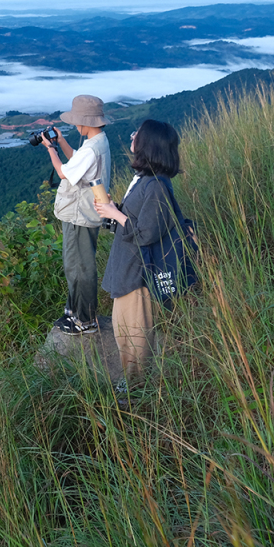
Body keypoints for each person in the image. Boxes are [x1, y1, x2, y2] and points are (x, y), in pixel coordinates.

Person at [94, 119, 182, 387]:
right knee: (124, 336)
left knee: (135, 341)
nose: (132, 137)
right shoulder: (144, 180)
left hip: (139, 275)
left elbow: (146, 233)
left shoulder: (156, 185)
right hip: (127, 271)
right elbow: (131, 223)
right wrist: (112, 211)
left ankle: (134, 393)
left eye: (136, 134)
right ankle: (132, 388)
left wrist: (115, 214)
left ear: (147, 145)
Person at [43, 95, 112, 334]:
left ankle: (85, 321)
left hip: (79, 215)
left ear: (85, 121)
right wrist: (61, 142)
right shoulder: (98, 141)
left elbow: (63, 172)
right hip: (85, 212)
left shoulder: (92, 149)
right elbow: (76, 160)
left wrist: (50, 149)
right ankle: (74, 314)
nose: (74, 125)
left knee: (79, 267)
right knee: (77, 264)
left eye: (76, 121)